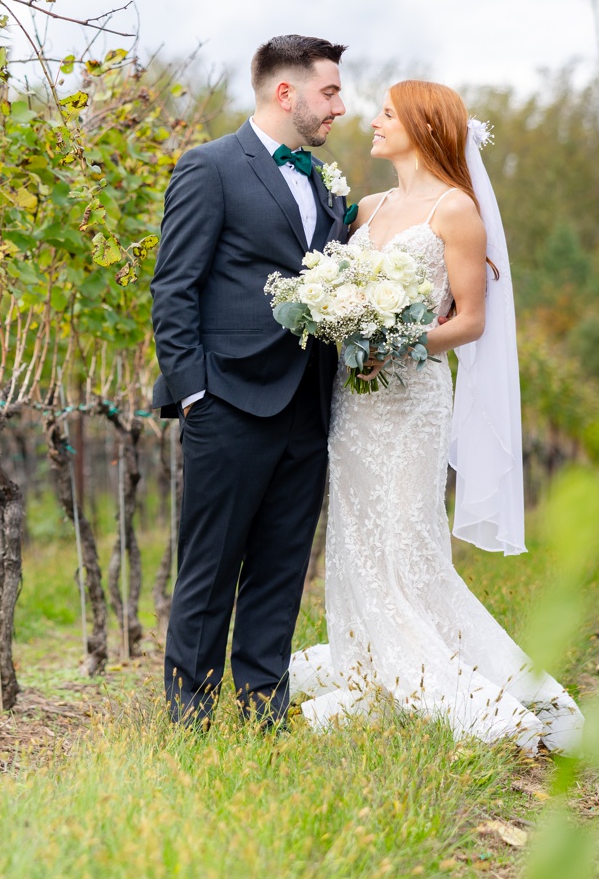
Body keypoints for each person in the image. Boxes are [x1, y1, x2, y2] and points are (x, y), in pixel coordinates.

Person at [288, 81, 584, 750]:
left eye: (386, 114)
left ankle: (434, 678)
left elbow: (472, 321)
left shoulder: (457, 212)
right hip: (353, 403)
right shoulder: (365, 209)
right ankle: (369, 666)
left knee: (407, 539)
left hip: (412, 397)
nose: (372, 122)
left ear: (422, 126)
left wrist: (398, 340)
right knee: (358, 536)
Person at [151, 35, 352, 724]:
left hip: (309, 403)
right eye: (330, 92)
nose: (342, 108)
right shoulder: (209, 168)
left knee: (282, 565)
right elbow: (174, 286)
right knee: (210, 566)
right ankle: (191, 714)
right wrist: (194, 392)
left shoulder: (326, 183)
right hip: (229, 398)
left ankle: (264, 707)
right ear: (285, 93)